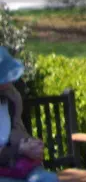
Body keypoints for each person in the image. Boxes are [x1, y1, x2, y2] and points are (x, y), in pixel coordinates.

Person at [0, 47, 57, 182]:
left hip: (14, 165)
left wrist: (31, 145)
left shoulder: (10, 97)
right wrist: (19, 149)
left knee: (48, 179)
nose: (10, 82)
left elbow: (16, 130)